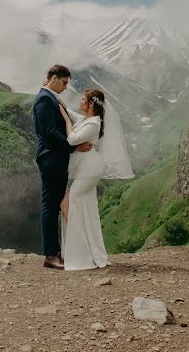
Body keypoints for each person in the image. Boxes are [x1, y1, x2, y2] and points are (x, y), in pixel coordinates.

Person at [56, 87, 135, 270]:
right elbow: (71, 113)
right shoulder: (87, 119)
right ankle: (87, 252)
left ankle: (81, 253)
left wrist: (67, 120)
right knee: (84, 208)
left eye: (83, 99)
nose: (80, 102)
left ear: (91, 103)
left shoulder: (93, 124)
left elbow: (71, 139)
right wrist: (56, 97)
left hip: (89, 170)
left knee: (67, 205)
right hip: (87, 168)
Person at [31, 65, 92, 270]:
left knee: (54, 204)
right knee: (50, 206)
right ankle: (50, 255)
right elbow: (48, 132)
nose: (66, 87)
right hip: (51, 158)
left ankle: (54, 252)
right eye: (64, 83)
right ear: (54, 78)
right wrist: (74, 146)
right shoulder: (44, 100)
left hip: (56, 158)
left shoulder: (50, 97)